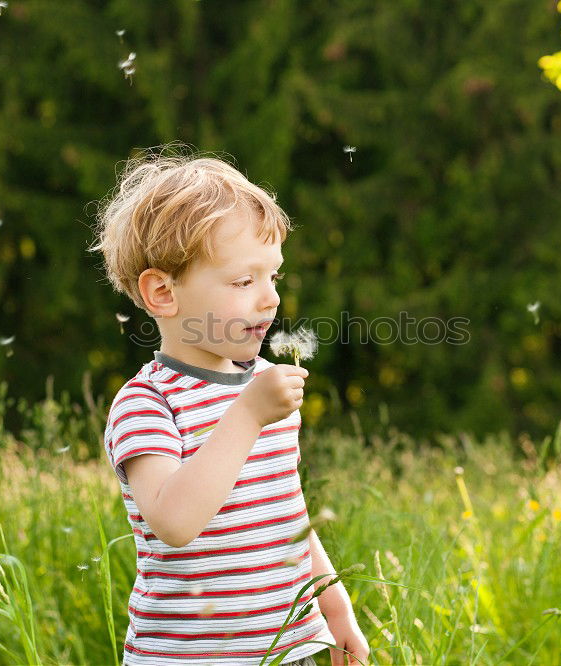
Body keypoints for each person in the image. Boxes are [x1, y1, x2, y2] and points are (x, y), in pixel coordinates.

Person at [89, 145, 370, 666]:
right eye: (244, 281)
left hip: (291, 649)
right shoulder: (146, 404)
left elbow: (284, 513)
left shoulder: (265, 385)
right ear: (163, 293)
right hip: (192, 657)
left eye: (273, 276)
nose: (270, 298)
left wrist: (334, 607)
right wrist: (245, 415)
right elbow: (174, 523)